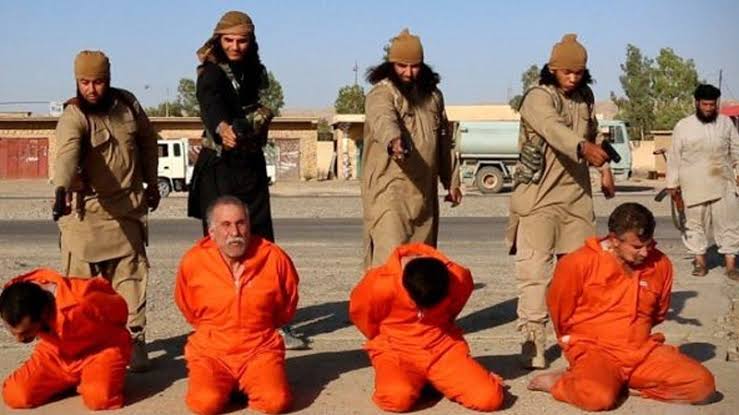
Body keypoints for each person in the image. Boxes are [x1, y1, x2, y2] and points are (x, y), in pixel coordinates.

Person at [529, 203, 716, 411]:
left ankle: (623, 384)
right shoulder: (578, 263)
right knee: (598, 398)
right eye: (636, 247)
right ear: (614, 240)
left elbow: (658, 313)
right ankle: (563, 382)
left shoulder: (660, 264)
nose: (644, 252)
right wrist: (575, 347)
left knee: (702, 386)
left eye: (649, 245)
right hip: (595, 352)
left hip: (641, 352)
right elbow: (560, 312)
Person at [506, 34, 615, 369]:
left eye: (578, 72)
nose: (573, 78)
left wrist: (605, 168)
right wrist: (583, 148)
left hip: (576, 199)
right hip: (538, 199)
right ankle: (533, 343)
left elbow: (595, 134)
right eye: (567, 72)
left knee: (579, 277)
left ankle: (576, 341)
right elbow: (553, 129)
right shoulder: (537, 97)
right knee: (535, 275)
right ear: (553, 69)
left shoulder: (585, 98)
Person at [53, 50, 159, 371]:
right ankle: (83, 349)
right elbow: (67, 154)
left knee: (131, 282)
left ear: (108, 80)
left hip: (127, 211)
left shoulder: (127, 105)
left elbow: (148, 142)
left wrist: (152, 182)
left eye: (98, 82)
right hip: (86, 217)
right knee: (80, 293)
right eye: (84, 82)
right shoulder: (74, 115)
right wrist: (61, 189)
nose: (91, 89)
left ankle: (134, 341)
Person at [175, 196, 299, 414]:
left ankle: (251, 382)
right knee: (204, 404)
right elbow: (187, 306)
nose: (235, 232)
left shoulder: (273, 257)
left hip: (259, 349)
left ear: (249, 225)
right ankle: (227, 385)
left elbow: (286, 306)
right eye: (226, 225)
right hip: (211, 352)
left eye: (241, 223)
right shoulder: (193, 261)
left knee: (275, 402)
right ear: (211, 232)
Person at [350, 243, 505, 412]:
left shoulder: (459, 277)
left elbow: (454, 309)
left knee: (489, 398)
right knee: (395, 399)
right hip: (395, 349)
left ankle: (428, 382)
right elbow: (362, 316)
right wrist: (384, 342)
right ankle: (424, 382)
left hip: (442, 348)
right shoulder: (379, 284)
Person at [361, 28, 461, 270]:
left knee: (422, 268)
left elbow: (444, 141)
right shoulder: (382, 94)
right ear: (391, 65)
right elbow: (383, 119)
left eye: (414, 66)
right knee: (390, 266)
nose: (408, 73)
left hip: (424, 196)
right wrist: (394, 140)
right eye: (401, 66)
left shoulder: (434, 97)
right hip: (389, 193)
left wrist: (452, 181)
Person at [1, 269, 131, 410]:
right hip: (55, 352)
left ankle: (90, 379)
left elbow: (120, 311)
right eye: (14, 332)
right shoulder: (12, 296)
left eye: (26, 332)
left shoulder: (83, 300)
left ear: (43, 313)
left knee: (99, 399)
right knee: (15, 394)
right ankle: (74, 382)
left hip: (100, 350)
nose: (19, 340)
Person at [666, 83, 739, 280]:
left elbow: (736, 150)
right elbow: (674, 156)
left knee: (730, 224)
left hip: (723, 182)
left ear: (717, 104)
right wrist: (672, 184)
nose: (708, 109)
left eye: (711, 105)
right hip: (693, 184)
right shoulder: (683, 126)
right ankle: (700, 263)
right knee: (694, 225)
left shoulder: (726, 123)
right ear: (697, 103)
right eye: (704, 104)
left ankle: (731, 266)